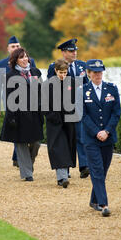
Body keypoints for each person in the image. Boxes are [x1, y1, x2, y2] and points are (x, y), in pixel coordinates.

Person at [82, 59, 121, 217]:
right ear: (88, 73)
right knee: (97, 170)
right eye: (94, 72)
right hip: (91, 139)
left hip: (108, 138)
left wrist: (107, 131)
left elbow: (116, 112)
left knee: (102, 170)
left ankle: (93, 199)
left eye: (99, 72)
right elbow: (82, 115)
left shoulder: (111, 89)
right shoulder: (82, 91)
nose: (97, 75)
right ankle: (103, 204)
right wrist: (97, 132)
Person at [47, 38, 90, 179]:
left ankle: (84, 166)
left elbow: (86, 86)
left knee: (80, 136)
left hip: (78, 107)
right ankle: (66, 167)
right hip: (62, 110)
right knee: (66, 138)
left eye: (75, 50)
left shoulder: (82, 66)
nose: (74, 53)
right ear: (64, 52)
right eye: (71, 51)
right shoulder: (54, 66)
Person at [0, 47, 44, 181]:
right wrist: (11, 117)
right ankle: (27, 173)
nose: (25, 59)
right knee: (21, 144)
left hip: (35, 114)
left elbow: (42, 92)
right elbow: (8, 97)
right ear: (15, 61)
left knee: (36, 143)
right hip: (19, 115)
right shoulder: (10, 76)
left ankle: (27, 164)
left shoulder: (35, 72)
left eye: (26, 57)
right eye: (21, 57)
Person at [0, 36, 36, 167]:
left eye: (17, 46)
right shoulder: (1, 64)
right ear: (8, 48)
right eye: (13, 46)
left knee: (27, 132)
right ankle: (19, 158)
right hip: (11, 102)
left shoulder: (30, 61)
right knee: (16, 129)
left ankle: (18, 157)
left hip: (28, 103)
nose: (16, 48)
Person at [44, 58, 77, 188]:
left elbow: (76, 101)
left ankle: (63, 174)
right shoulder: (48, 85)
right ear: (55, 71)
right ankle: (62, 178)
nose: (63, 75)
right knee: (59, 148)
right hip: (55, 123)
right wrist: (52, 116)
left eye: (65, 72)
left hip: (69, 122)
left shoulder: (72, 83)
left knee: (68, 147)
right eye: (60, 72)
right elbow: (43, 104)